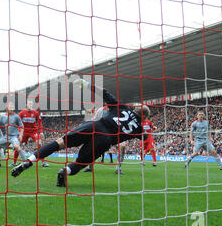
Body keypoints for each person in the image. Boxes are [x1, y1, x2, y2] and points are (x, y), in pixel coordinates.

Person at [11, 79, 149, 187]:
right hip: (104, 140)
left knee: (58, 143)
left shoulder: (122, 107)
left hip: (93, 126)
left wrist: (86, 84)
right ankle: (64, 171)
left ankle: (29, 161)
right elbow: (145, 137)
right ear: (144, 117)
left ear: (135, 109)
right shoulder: (138, 129)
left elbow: (105, 93)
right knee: (80, 163)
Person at [0, 102, 27, 167]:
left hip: (14, 137)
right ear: (7, 108)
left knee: (17, 147)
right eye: (10, 107)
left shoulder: (16, 117)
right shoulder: (3, 117)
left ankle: (26, 162)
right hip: (6, 137)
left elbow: (22, 126)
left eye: (12, 107)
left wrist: (21, 135)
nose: (11, 109)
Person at [11, 99, 49, 167]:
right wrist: (20, 132)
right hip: (24, 131)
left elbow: (40, 122)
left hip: (33, 131)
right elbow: (17, 122)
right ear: (26, 104)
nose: (30, 105)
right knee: (18, 145)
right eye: (29, 104)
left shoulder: (35, 113)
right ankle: (14, 162)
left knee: (39, 144)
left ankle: (43, 162)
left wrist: (41, 132)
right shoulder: (22, 113)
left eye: (31, 104)